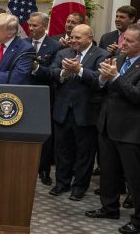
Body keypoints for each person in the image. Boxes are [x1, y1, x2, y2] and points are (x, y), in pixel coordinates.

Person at [34, 24, 108, 201]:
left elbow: (100, 82)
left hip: (86, 113)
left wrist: (79, 71)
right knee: (62, 150)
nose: (73, 40)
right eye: (72, 37)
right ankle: (62, 183)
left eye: (78, 38)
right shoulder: (63, 53)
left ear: (89, 38)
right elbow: (52, 73)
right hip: (62, 110)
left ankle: (79, 187)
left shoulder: (102, 55)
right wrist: (63, 73)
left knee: (84, 154)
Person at [85, 23, 140, 234]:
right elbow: (102, 87)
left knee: (135, 179)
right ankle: (109, 208)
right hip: (108, 125)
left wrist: (115, 78)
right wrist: (102, 78)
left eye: (130, 41)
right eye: (123, 39)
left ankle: (138, 221)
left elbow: (136, 96)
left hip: (131, 131)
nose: (123, 43)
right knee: (108, 172)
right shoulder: (119, 58)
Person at [25, 12, 62, 186]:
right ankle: (25, 166)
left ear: (45, 26)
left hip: (45, 97)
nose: (31, 29)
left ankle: (44, 169)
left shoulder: (55, 46)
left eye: (35, 25)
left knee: (44, 136)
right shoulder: (22, 44)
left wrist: (36, 68)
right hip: (24, 95)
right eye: (30, 25)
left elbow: (54, 73)